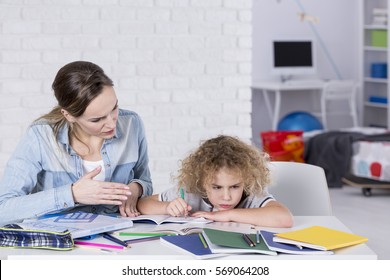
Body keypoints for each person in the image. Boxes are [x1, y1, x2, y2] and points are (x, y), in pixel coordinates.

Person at [0, 61, 152, 225]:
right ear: (69, 115)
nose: (112, 124)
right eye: (97, 119)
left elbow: (145, 181)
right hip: (61, 243)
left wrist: (136, 189)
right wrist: (71, 194)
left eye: (114, 108)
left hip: (120, 238)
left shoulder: (132, 123)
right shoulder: (41, 135)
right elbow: (4, 210)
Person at [137, 135, 293, 227]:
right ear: (202, 181)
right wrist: (167, 207)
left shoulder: (251, 192)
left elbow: (284, 218)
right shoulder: (191, 191)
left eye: (234, 186)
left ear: (246, 180)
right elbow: (142, 204)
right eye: (217, 187)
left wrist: (229, 214)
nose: (226, 197)